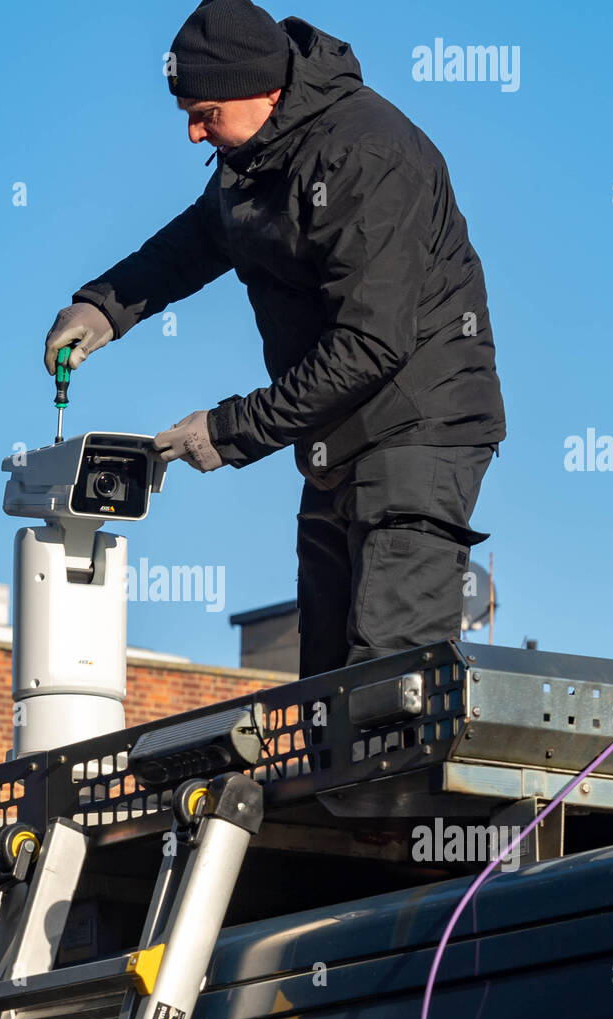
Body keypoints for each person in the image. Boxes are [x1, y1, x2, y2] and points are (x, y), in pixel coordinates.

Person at [44, 0, 505, 678]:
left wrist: (226, 432)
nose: (195, 136)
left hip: (417, 431)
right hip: (333, 436)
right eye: (188, 117)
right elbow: (196, 242)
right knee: (322, 680)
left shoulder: (366, 154)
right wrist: (103, 308)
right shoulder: (259, 157)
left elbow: (372, 345)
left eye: (206, 115)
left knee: (385, 676)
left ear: (261, 89)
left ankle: (388, 787)